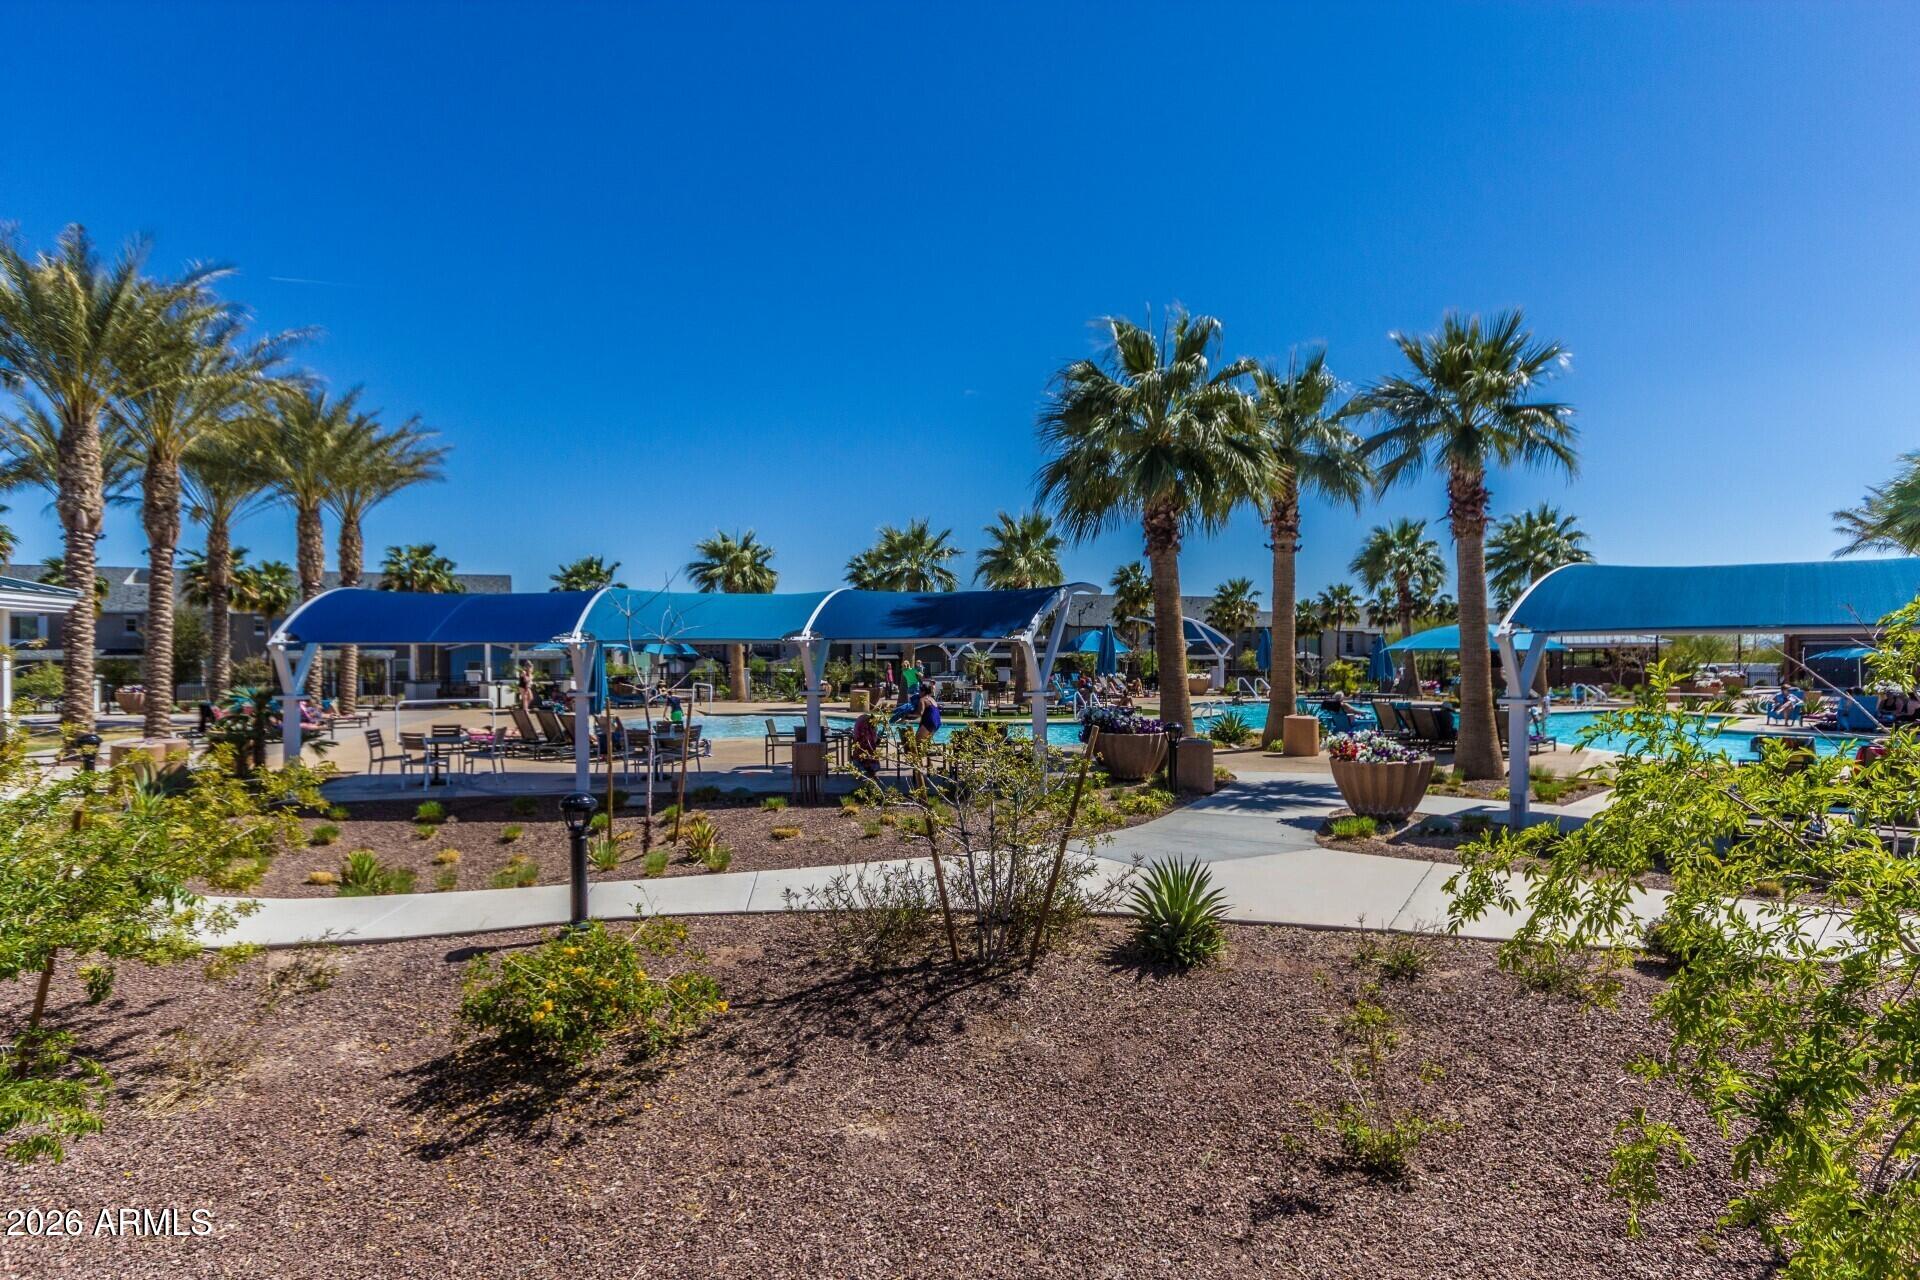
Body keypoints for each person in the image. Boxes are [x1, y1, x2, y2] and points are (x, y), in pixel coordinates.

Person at [850, 712, 881, 778]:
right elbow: (874, 739)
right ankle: (870, 771)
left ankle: (866, 771)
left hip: (860, 744)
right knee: (869, 754)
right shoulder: (866, 726)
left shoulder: (864, 722)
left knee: (866, 754)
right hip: (863, 745)